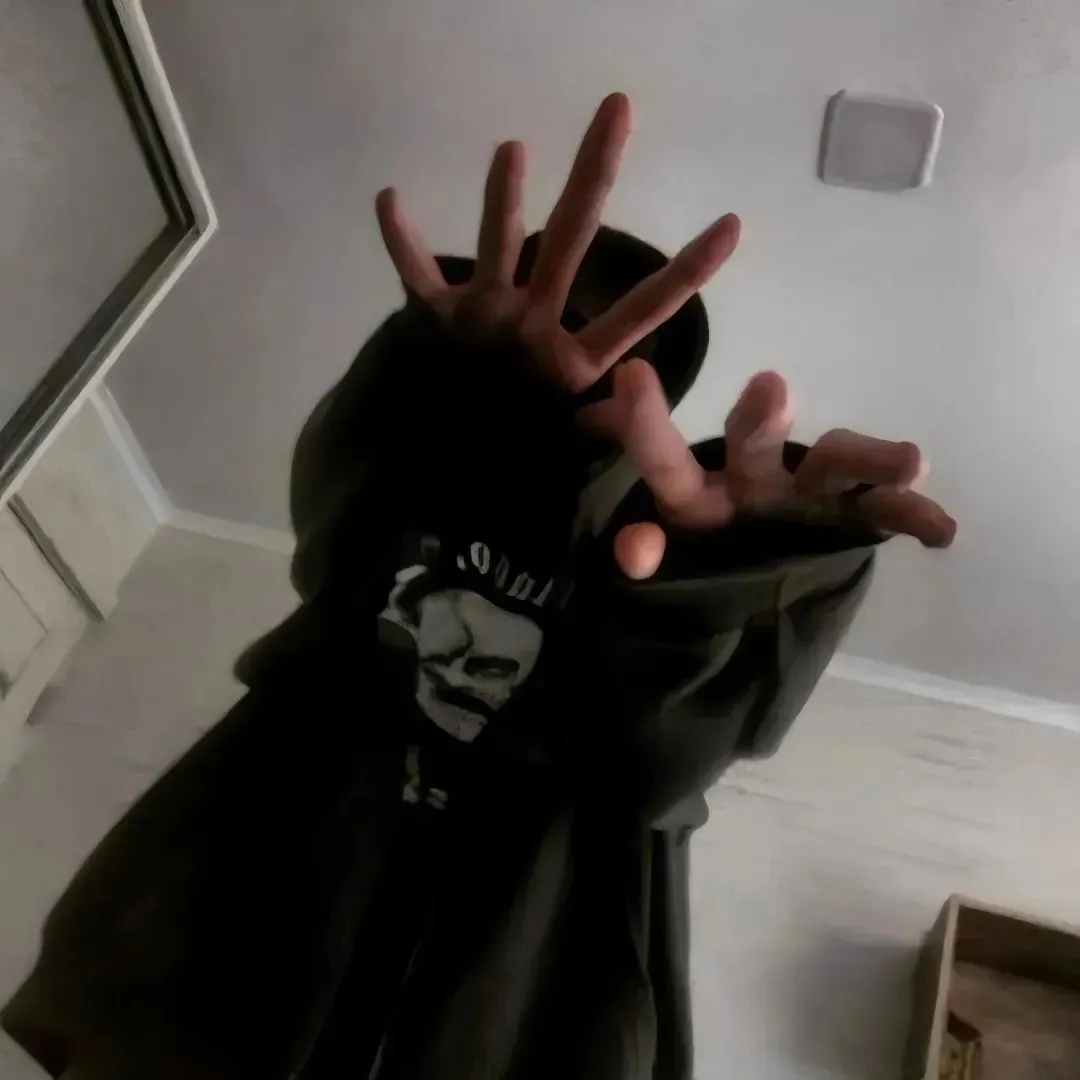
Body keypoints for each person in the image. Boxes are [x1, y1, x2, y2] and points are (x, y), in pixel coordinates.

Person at [3, 93, 954, 1080]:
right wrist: (446, 386)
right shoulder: (412, 502)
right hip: (227, 964)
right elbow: (346, 532)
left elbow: (679, 744)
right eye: (554, 322)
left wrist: (755, 569)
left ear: (654, 406)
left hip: (511, 1020)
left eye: (612, 354)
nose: (573, 356)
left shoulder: (653, 582)